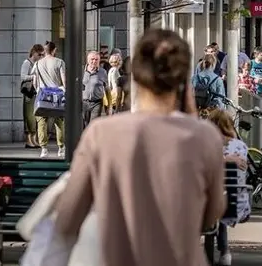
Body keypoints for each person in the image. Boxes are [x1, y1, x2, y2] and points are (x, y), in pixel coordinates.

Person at [50, 28, 225, 266]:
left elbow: (67, 219)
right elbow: (211, 214)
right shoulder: (205, 137)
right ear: (183, 81)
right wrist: (192, 115)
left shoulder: (101, 134)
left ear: (136, 75)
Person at [209, 111, 250, 266]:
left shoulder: (209, 147)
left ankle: (223, 251)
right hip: (239, 204)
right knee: (222, 202)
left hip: (215, 203)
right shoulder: (241, 146)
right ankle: (225, 252)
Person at [32, 41, 66, 159]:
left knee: (41, 122)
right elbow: (64, 80)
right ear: (54, 50)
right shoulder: (59, 62)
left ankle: (44, 149)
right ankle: (61, 148)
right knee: (59, 122)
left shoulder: (37, 64)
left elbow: (35, 82)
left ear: (44, 51)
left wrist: (39, 91)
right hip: (57, 97)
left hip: (43, 96)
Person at [20, 43, 43, 148]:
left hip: (36, 92)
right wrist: (33, 76)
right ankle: (28, 139)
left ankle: (33, 139)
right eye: (39, 54)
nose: (40, 56)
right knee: (29, 116)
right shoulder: (27, 63)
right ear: (34, 53)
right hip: (29, 92)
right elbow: (23, 76)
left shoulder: (37, 63)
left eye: (42, 55)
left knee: (35, 116)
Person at [81, 50, 106, 127]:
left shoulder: (102, 72)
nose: (94, 61)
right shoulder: (81, 71)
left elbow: (107, 88)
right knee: (83, 125)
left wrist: (110, 106)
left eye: (96, 59)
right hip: (83, 102)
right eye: (92, 59)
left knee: (93, 125)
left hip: (96, 103)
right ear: (88, 60)